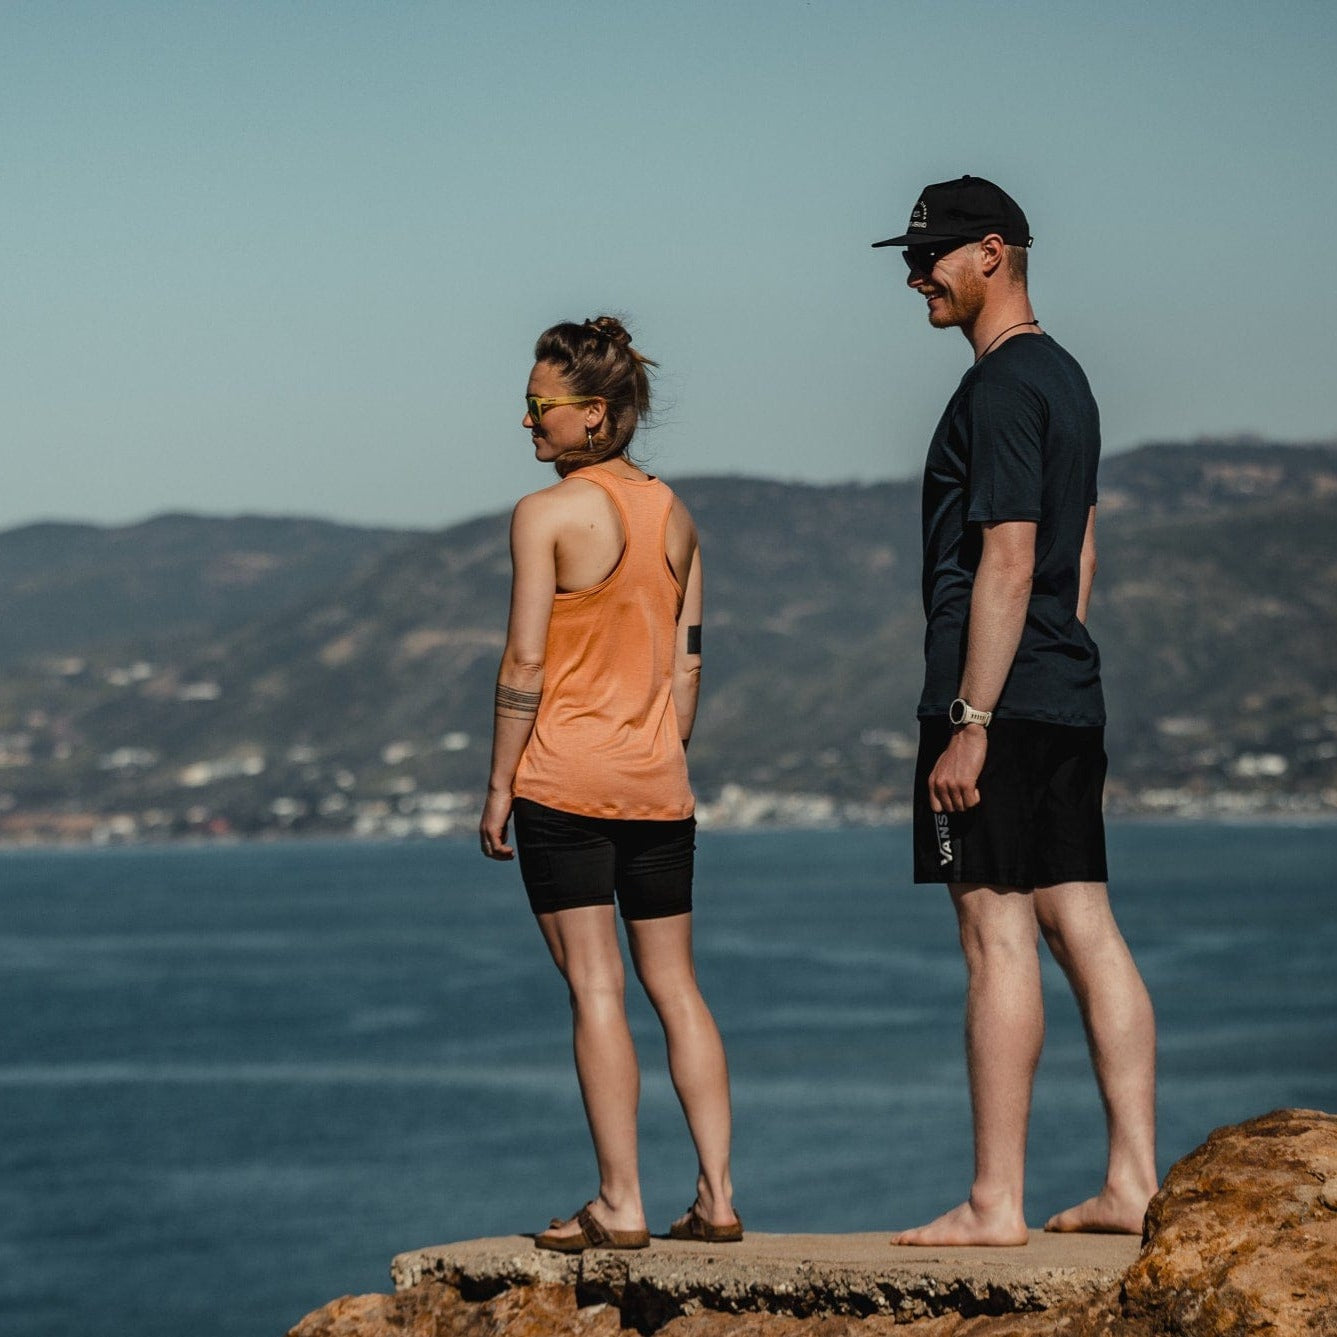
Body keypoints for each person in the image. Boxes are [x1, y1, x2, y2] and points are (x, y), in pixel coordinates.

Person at [871, 177, 1158, 1246]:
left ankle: (995, 1198)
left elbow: (1004, 555)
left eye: (929, 256)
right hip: (1062, 688)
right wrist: (1047, 664)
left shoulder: (996, 389)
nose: (914, 278)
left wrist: (971, 715)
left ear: (992, 252)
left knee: (994, 934)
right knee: (1082, 919)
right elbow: (1072, 549)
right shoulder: (1066, 378)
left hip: (993, 698)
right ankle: (1132, 1177)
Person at [479, 315, 742, 1253]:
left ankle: (620, 1200)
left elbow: (523, 660)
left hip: (564, 782)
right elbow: (688, 670)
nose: (526, 422)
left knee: (595, 989)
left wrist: (499, 783)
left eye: (537, 406)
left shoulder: (544, 515)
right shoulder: (677, 517)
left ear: (592, 414)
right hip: (659, 784)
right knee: (677, 988)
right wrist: (655, 751)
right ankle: (716, 1196)